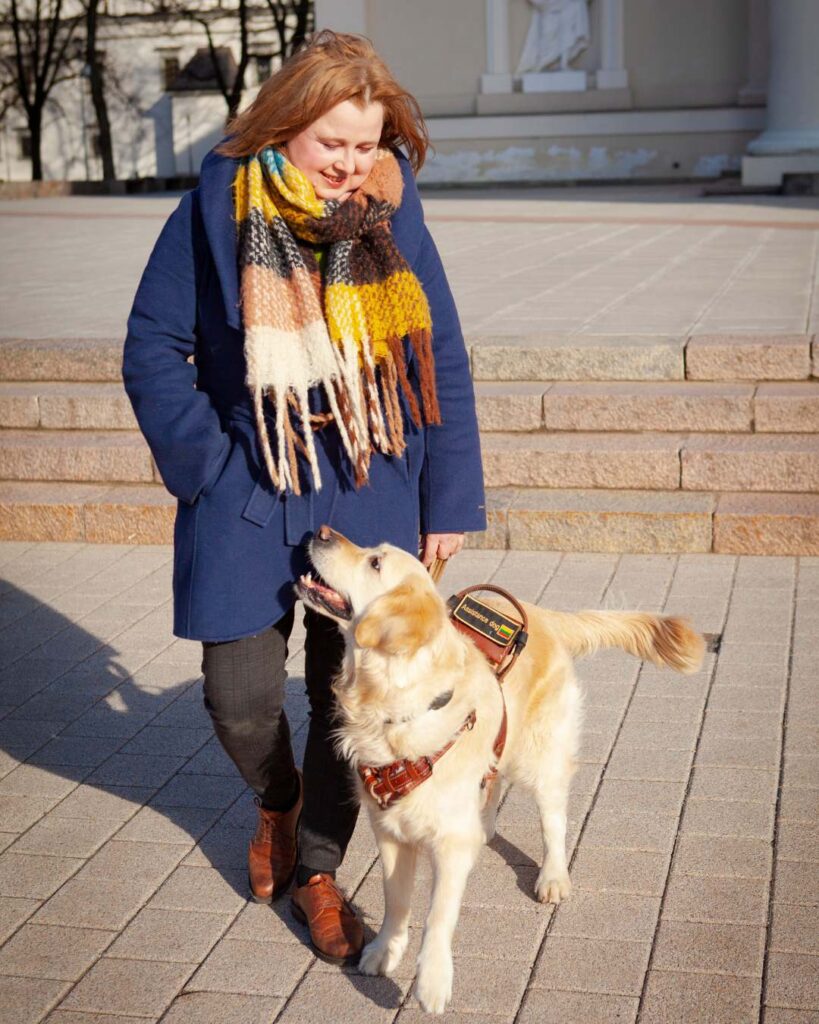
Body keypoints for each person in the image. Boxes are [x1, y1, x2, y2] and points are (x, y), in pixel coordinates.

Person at [122, 30, 486, 966]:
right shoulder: (214, 208)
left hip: (366, 481)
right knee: (237, 697)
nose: (351, 163)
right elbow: (153, 347)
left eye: (366, 145)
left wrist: (447, 499)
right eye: (334, 143)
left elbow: (436, 354)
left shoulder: (389, 214)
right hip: (249, 482)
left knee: (348, 698)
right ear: (285, 126)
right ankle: (277, 806)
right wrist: (208, 461)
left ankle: (320, 869)